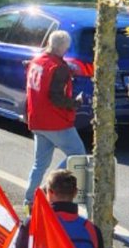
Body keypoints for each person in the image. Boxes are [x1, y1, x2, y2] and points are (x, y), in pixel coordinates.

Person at [24, 29, 87, 206]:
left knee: (40, 163)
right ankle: (47, 188)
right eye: (66, 48)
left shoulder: (37, 60)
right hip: (56, 121)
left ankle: (29, 200)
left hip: (37, 118)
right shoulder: (58, 67)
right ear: (62, 48)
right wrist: (76, 103)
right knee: (78, 155)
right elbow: (56, 97)